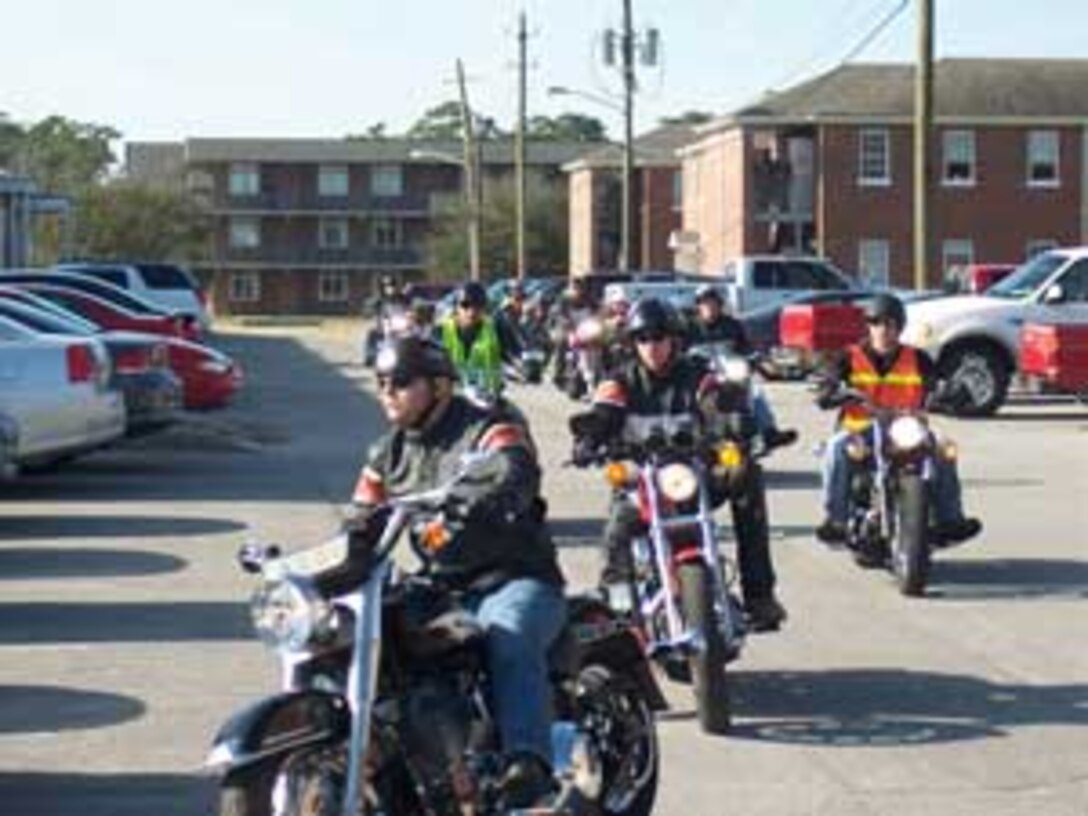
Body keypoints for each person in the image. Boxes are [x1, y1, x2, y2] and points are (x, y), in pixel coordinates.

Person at [350, 336, 565, 808]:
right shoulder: (387, 453)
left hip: (515, 578)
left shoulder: (485, 426)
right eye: (382, 381)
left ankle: (529, 761)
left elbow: (515, 465)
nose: (388, 391)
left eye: (401, 382)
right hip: (443, 587)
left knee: (506, 634)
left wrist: (488, 488)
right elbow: (360, 518)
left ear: (440, 386)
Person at [572, 298, 787, 632]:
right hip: (641, 484)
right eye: (642, 338)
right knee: (617, 531)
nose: (652, 346)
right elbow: (605, 413)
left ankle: (759, 594)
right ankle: (617, 610)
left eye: (658, 336)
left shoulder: (697, 376)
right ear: (633, 343)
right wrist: (589, 439)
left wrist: (736, 426)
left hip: (692, 479)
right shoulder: (619, 381)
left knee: (748, 476)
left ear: (673, 338)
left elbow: (715, 402)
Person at [814, 293, 983, 548]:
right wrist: (828, 390)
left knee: (944, 449)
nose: (883, 330)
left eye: (889, 324)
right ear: (868, 326)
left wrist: (953, 392)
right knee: (835, 448)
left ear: (899, 327)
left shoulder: (917, 359)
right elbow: (827, 381)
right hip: (862, 431)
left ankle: (951, 520)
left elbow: (938, 381)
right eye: (876, 323)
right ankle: (835, 520)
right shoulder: (848, 357)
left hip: (908, 427)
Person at [686, 284, 798, 451]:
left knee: (755, 393)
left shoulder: (732, 326)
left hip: (729, 375)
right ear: (698, 306)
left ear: (720, 304)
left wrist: (755, 357)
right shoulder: (689, 328)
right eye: (704, 303)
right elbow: (678, 351)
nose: (709, 306)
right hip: (701, 376)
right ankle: (686, 436)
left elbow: (746, 348)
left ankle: (769, 432)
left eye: (713, 302)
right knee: (686, 398)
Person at [437, 282, 522, 394]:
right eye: (465, 305)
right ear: (456, 307)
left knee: (515, 412)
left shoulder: (497, 328)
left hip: (489, 398)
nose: (472, 310)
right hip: (450, 398)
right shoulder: (440, 330)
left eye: (478, 304)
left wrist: (525, 366)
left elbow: (516, 354)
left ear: (485, 307)